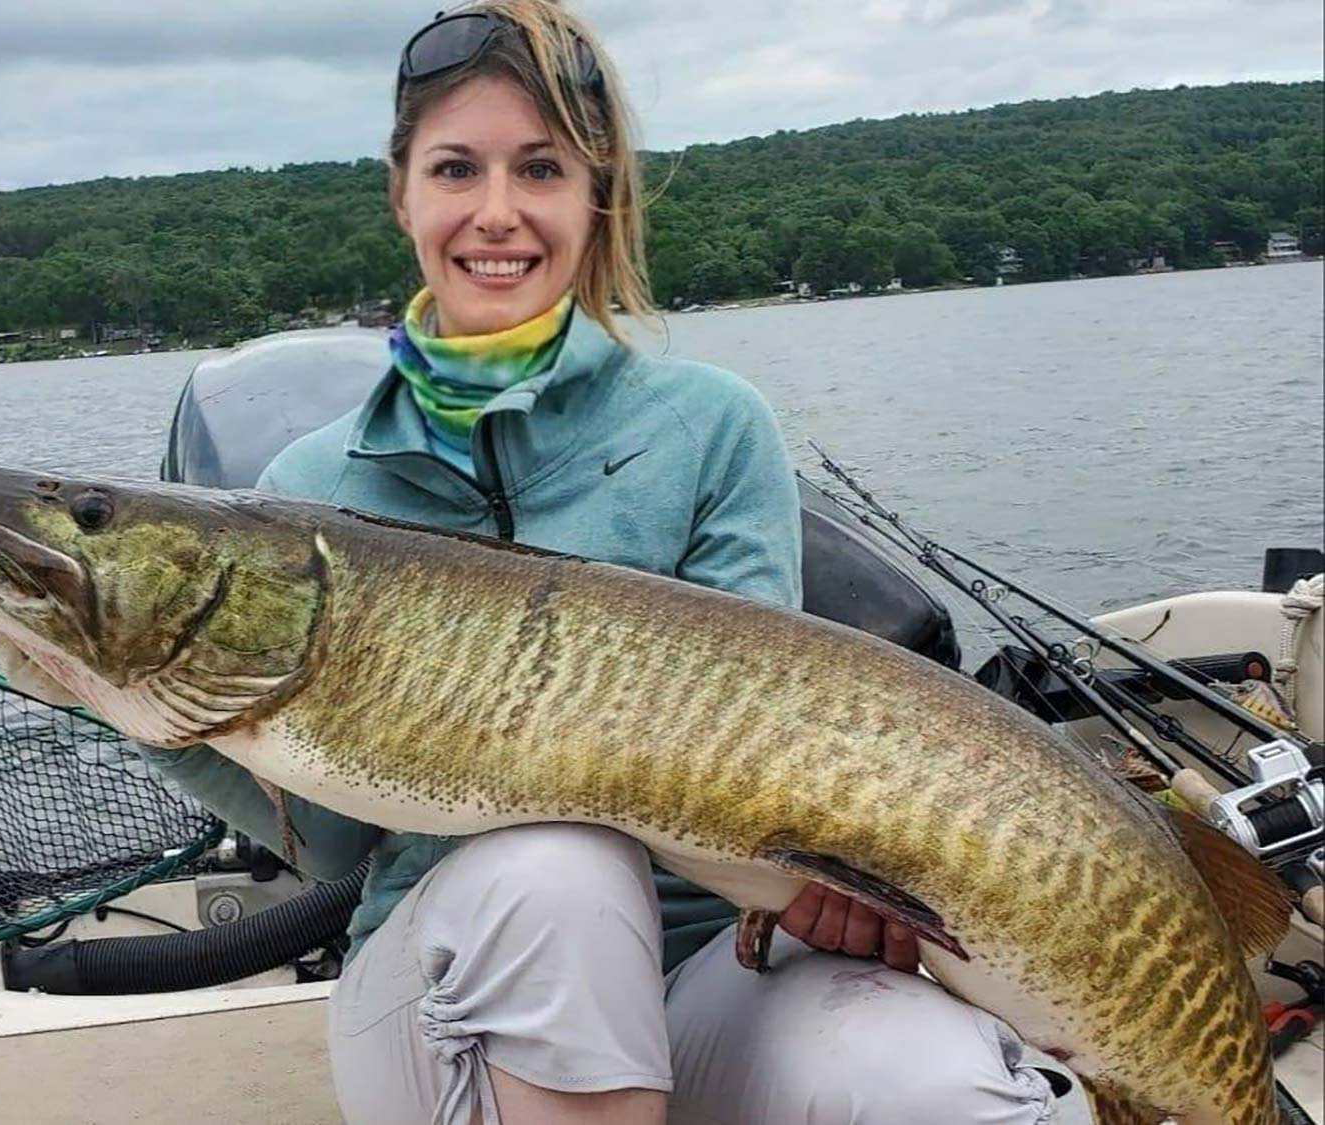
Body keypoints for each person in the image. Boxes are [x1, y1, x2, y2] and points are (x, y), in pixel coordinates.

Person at [140, 3, 1085, 1122]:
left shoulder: (713, 426)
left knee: (957, 1094)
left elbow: (762, 773)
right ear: (404, 195)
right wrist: (155, 712)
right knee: (558, 873)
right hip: (445, 999)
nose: (497, 213)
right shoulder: (304, 489)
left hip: (713, 977)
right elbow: (339, 839)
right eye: (457, 168)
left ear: (597, 196)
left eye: (539, 168)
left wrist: (853, 881)